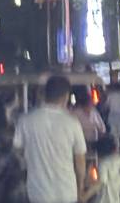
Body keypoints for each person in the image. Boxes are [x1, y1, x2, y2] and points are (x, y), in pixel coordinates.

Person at [14, 75, 88, 203]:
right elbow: (80, 160)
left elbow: (17, 151)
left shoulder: (25, 121)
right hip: (67, 193)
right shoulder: (72, 123)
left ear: (45, 94)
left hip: (38, 194)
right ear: (66, 96)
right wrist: (80, 188)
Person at [103, 74, 120, 144]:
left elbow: (106, 106)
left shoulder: (110, 95)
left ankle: (116, 146)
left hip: (112, 116)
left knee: (114, 135)